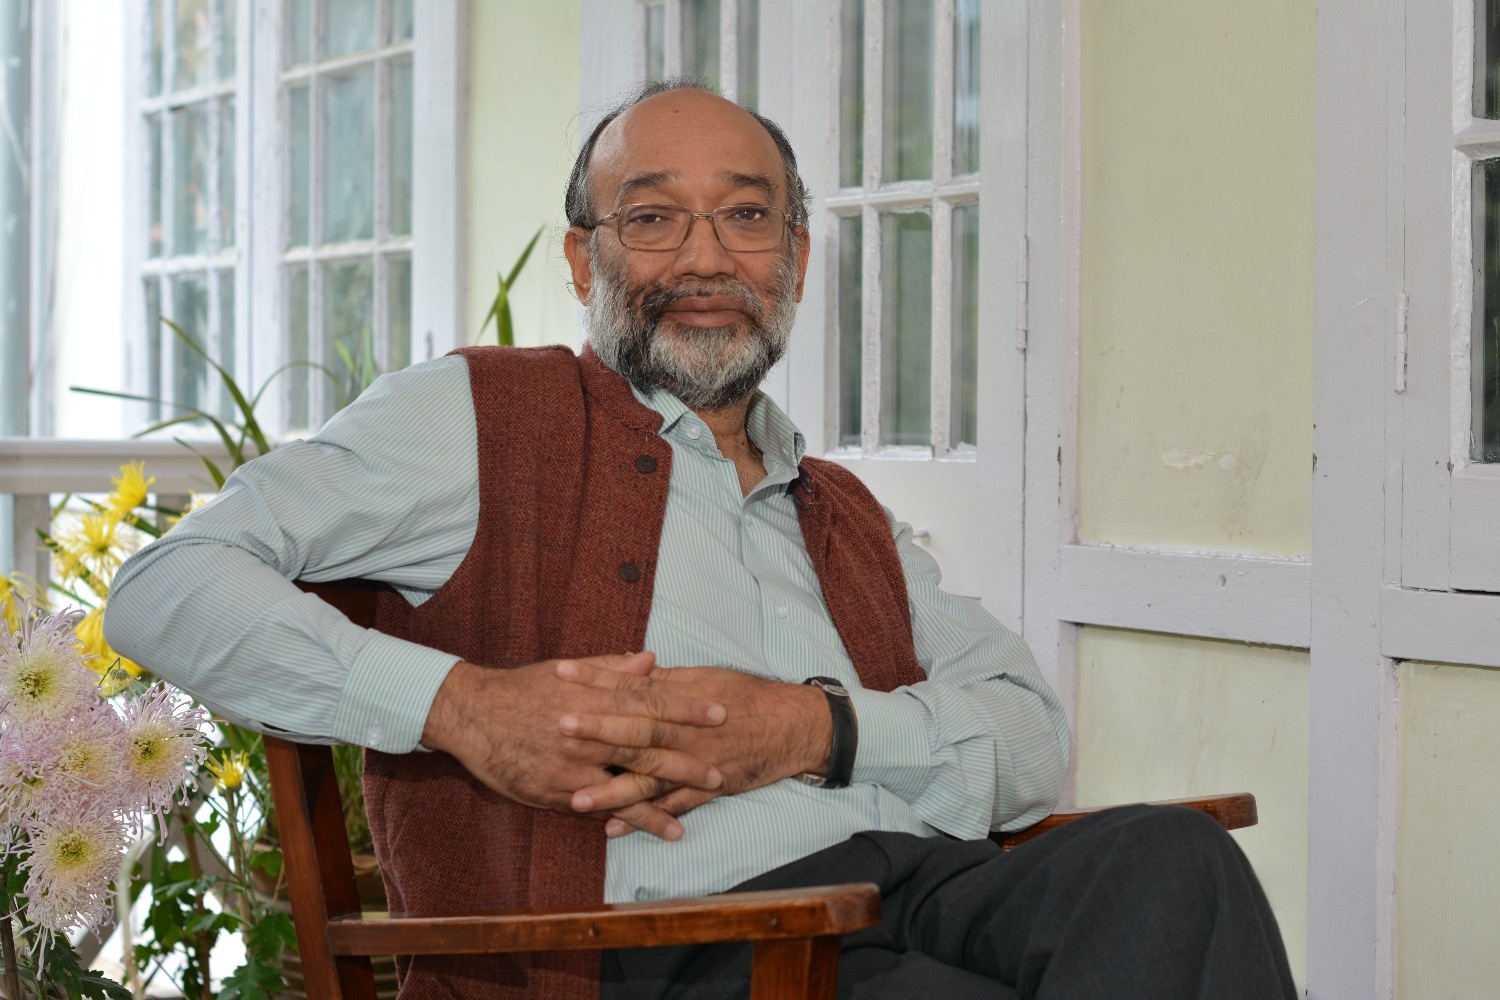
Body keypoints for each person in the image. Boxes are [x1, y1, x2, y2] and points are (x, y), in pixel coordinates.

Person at [105, 81, 1295, 1000]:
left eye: (747, 216)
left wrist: (812, 729)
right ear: (585, 258)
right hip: (676, 946)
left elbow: (1030, 735)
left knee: (1171, 862)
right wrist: (463, 708)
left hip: (918, 892)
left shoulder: (840, 508)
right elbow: (167, 585)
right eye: (654, 218)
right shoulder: (478, 419)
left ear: (795, 258)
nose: (708, 256)